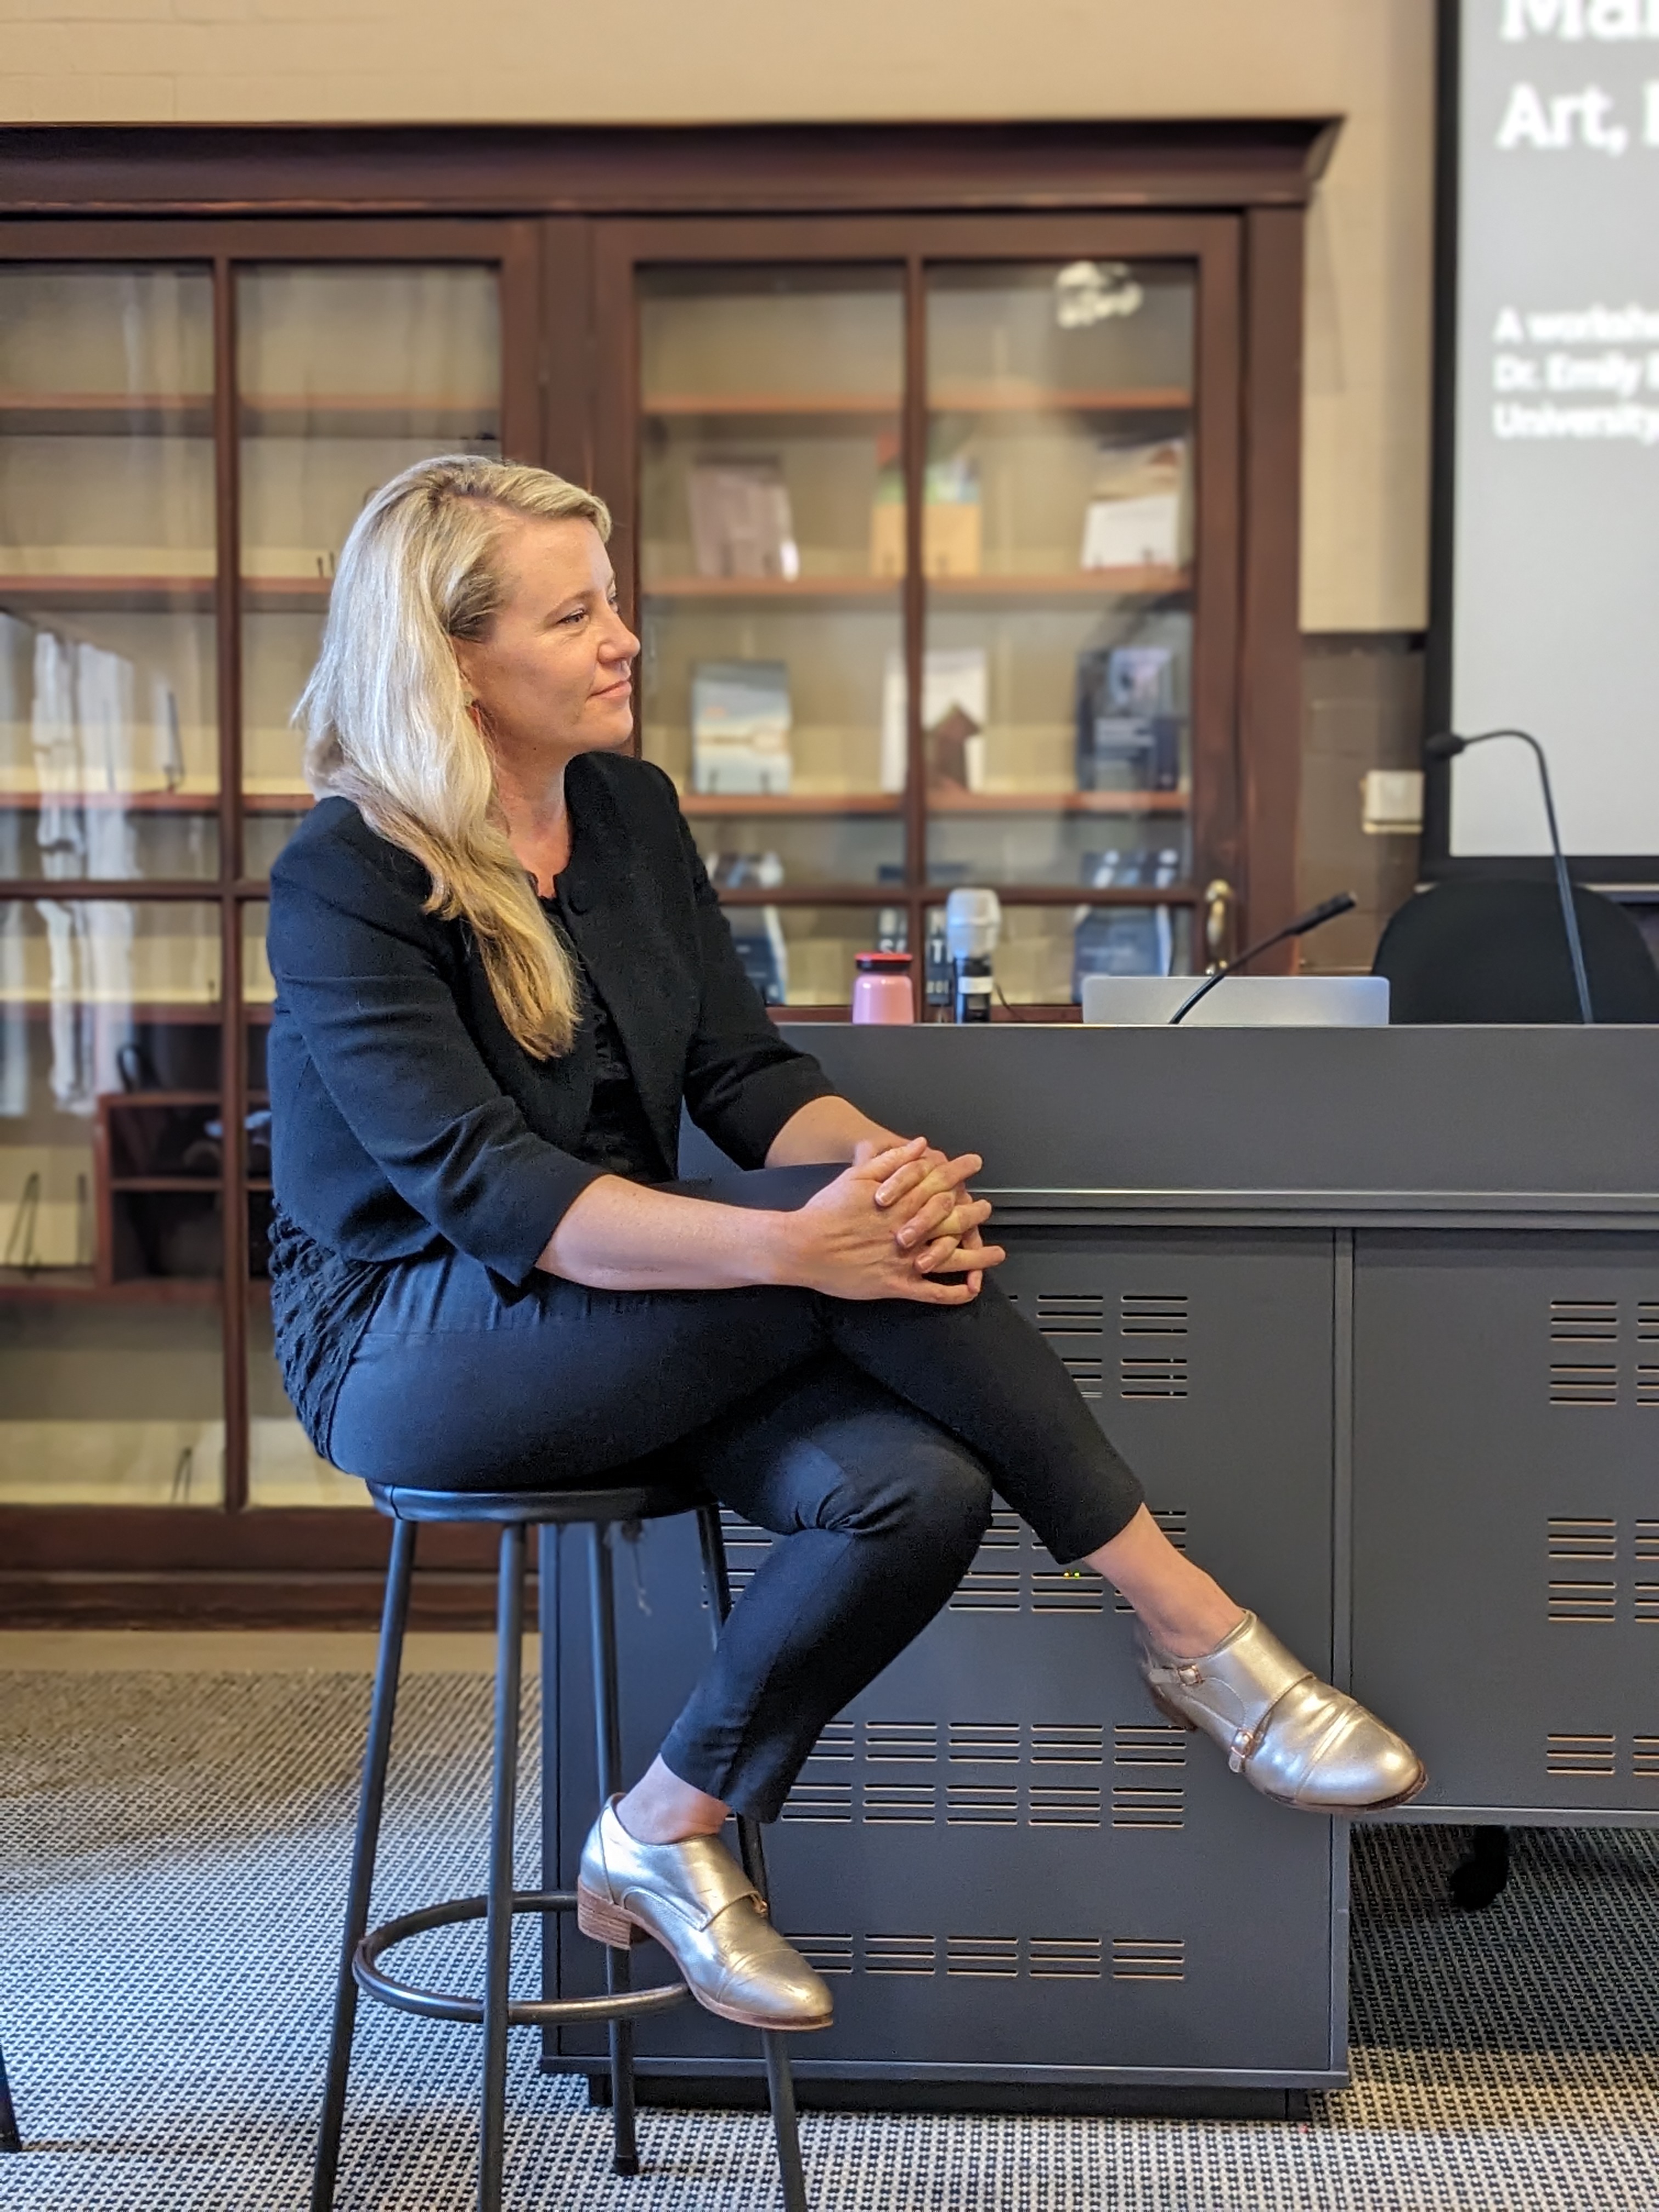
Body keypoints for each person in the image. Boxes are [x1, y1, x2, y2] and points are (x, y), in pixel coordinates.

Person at [267, 455, 1424, 2039]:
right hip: (415, 1339)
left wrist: (883, 1177)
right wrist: (807, 1251)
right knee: (844, 1266)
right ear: (452, 657)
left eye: (614, 601)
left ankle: (664, 1825)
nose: (627, 637)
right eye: (577, 612)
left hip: (624, 1309)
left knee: (917, 1490)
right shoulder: (347, 876)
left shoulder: (624, 810)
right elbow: (492, 1192)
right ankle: (1197, 1632)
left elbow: (741, 1077)